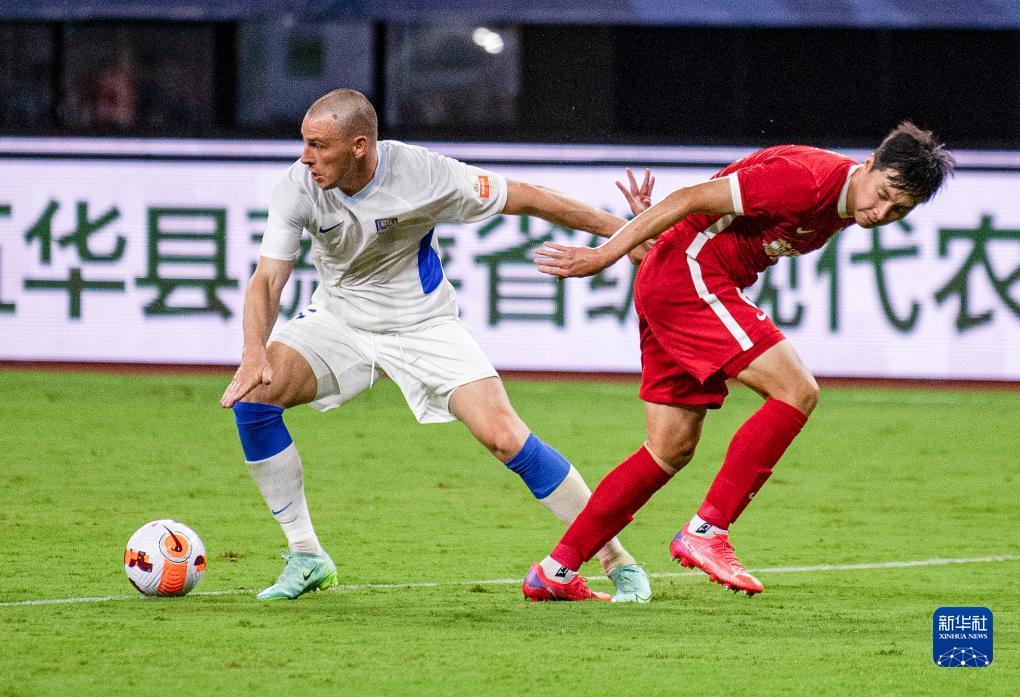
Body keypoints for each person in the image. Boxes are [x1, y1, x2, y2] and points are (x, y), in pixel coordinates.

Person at [219, 88, 651, 602]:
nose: (306, 157)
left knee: (504, 436)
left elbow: (528, 196)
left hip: (424, 325)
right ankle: (306, 554)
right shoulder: (298, 186)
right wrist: (254, 352)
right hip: (340, 321)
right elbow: (268, 279)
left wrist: (624, 233)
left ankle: (616, 559)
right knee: (254, 399)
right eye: (304, 143)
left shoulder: (423, 174)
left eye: (318, 145)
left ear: (359, 146)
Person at [522, 122, 954, 600]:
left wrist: (662, 232)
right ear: (869, 164)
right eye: (884, 194)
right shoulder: (807, 181)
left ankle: (555, 571)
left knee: (669, 449)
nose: (881, 212)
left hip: (675, 273)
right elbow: (689, 198)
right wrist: (604, 255)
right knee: (796, 390)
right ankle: (707, 532)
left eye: (899, 210)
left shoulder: (848, 203)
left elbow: (715, 206)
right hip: (689, 276)